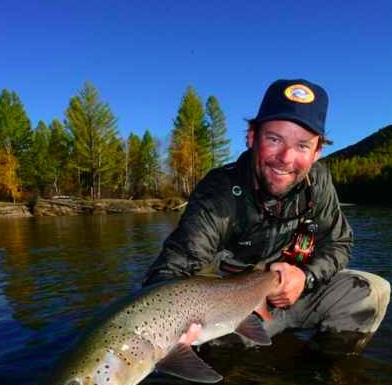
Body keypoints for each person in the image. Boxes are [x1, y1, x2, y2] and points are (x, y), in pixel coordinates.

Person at [144, 79, 390, 355]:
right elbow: (171, 270)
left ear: (317, 151)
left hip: (297, 294)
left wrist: (306, 277)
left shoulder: (318, 182)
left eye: (302, 146)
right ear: (252, 136)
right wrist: (170, 321)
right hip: (236, 309)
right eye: (274, 139)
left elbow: (339, 243)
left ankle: (312, 381)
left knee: (372, 292)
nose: (286, 157)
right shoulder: (219, 192)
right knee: (215, 356)